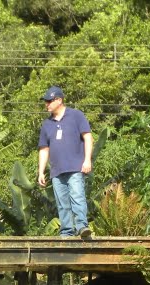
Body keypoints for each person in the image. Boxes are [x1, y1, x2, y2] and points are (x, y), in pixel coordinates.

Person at [37, 85, 94, 239]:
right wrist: (41, 171)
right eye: (46, 101)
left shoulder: (76, 115)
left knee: (77, 196)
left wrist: (87, 160)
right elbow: (44, 149)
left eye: (49, 101)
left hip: (76, 167)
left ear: (59, 100)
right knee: (62, 203)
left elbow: (88, 137)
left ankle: (82, 227)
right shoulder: (46, 124)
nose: (46, 104)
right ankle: (67, 233)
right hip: (56, 171)